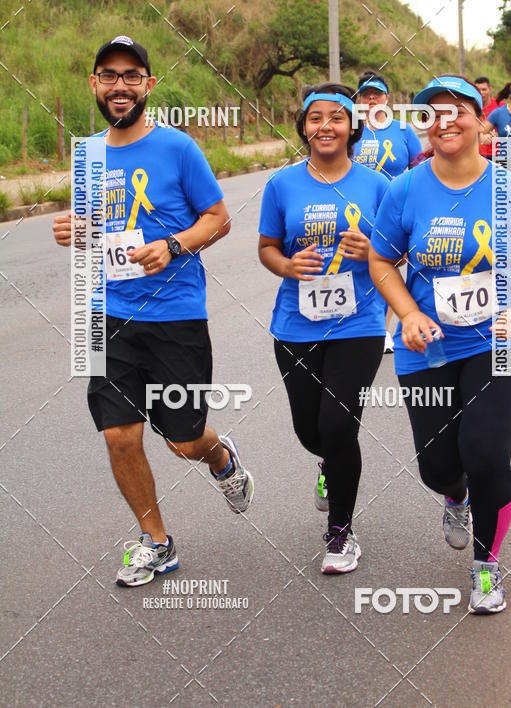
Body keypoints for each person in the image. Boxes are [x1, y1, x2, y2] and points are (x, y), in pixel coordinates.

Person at [369, 73, 511, 614]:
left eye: (457, 108)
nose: (446, 119)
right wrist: (408, 312)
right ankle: (454, 496)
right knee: (439, 467)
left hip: (501, 344)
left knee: (485, 454)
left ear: (481, 120)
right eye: (432, 112)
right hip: (428, 347)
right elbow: (380, 260)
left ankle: (486, 564)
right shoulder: (406, 190)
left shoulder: (510, 190)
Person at [53, 36, 254, 587]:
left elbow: (218, 218)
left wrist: (173, 245)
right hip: (101, 314)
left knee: (183, 441)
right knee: (119, 435)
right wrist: (72, 231)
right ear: (94, 84)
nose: (120, 85)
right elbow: (93, 227)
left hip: (174, 315)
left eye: (132, 75)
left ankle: (219, 457)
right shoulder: (87, 153)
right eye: (109, 75)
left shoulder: (178, 148)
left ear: (149, 85)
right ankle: (156, 542)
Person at [258, 82, 388, 574]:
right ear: (304, 127)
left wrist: (372, 250)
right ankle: (328, 465)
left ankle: (340, 534)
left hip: (359, 322)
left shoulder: (378, 185)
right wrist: (287, 267)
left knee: (338, 426)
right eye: (316, 118)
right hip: (295, 324)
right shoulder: (282, 185)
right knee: (310, 430)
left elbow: (398, 251)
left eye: (337, 117)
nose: (325, 126)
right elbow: (268, 246)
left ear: (353, 126)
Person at [353, 70, 421, 353]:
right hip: (357, 208)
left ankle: (381, 330)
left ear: (387, 98)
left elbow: (419, 168)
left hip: (394, 210)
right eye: (366, 95)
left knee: (388, 264)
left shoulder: (403, 130)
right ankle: (357, 323)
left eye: (377, 94)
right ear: (358, 99)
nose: (371, 100)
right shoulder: (352, 129)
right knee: (359, 264)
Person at [474, 76, 497, 159]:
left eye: (484, 89)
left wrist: (496, 135)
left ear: (490, 89)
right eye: (478, 90)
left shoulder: (500, 106)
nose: (481, 92)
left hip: (498, 154)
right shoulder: (470, 107)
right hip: (477, 154)